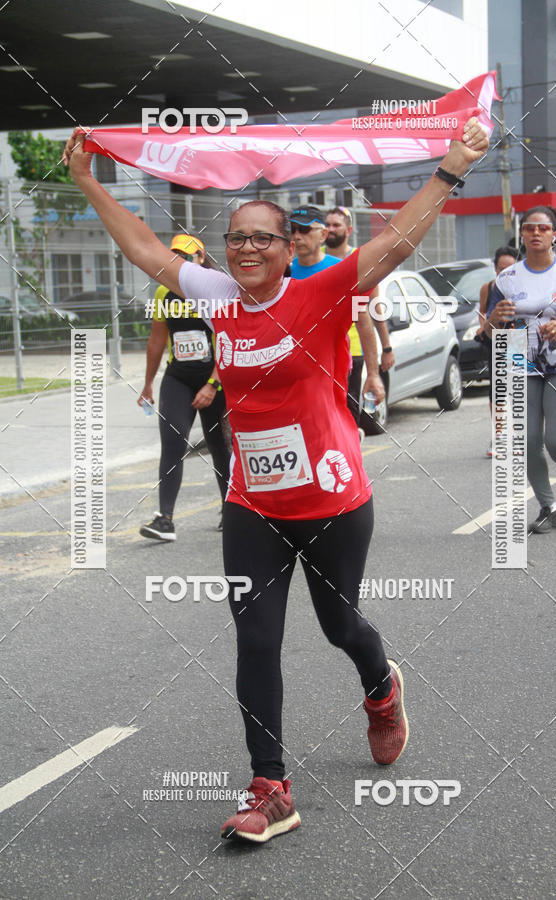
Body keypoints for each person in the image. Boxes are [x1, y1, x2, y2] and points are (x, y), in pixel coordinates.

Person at [63, 116, 489, 842]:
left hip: (332, 499)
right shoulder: (215, 293)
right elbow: (140, 246)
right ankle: (270, 789)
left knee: (339, 625)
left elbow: (397, 242)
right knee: (254, 639)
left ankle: (382, 688)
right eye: (238, 237)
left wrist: (450, 169)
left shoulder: (319, 293)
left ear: (290, 247)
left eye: (264, 236)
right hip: (252, 505)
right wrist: (86, 179)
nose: (248, 247)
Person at [485, 206, 556, 534]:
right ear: (522, 234)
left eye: (543, 228)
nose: (535, 233)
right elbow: (492, 332)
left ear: (554, 235)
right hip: (521, 360)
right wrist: (493, 319)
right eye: (529, 228)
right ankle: (548, 508)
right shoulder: (506, 279)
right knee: (526, 439)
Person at [138, 234, 231, 540]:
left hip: (214, 378)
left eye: (185, 255)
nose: (178, 260)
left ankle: (231, 509)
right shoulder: (164, 292)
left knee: (219, 445)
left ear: (201, 258)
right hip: (177, 377)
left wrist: (213, 385)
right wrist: (149, 383)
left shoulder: (215, 291)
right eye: (174, 255)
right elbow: (156, 341)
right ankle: (165, 519)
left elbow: (230, 343)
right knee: (173, 443)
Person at [290, 205, 383, 435]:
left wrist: (373, 373)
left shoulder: (339, 271)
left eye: (304, 230)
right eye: (292, 230)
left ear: (322, 235)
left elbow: (363, 322)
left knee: (342, 429)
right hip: (297, 372)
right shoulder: (284, 274)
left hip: (337, 369)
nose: (296, 236)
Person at [325, 206, 396, 429]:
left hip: (353, 349)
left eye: (336, 225)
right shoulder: (312, 258)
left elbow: (375, 306)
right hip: (320, 348)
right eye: (327, 224)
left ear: (349, 229)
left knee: (348, 407)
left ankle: (350, 453)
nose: (330, 229)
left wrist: (386, 347)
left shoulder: (360, 260)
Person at [476, 245, 518, 457]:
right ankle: (498, 436)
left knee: (519, 387)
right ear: (495, 268)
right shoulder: (488, 288)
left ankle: (520, 437)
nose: (505, 273)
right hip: (497, 339)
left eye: (510, 268)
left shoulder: (524, 287)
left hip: (519, 340)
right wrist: (483, 325)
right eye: (501, 268)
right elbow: (482, 312)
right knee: (498, 389)